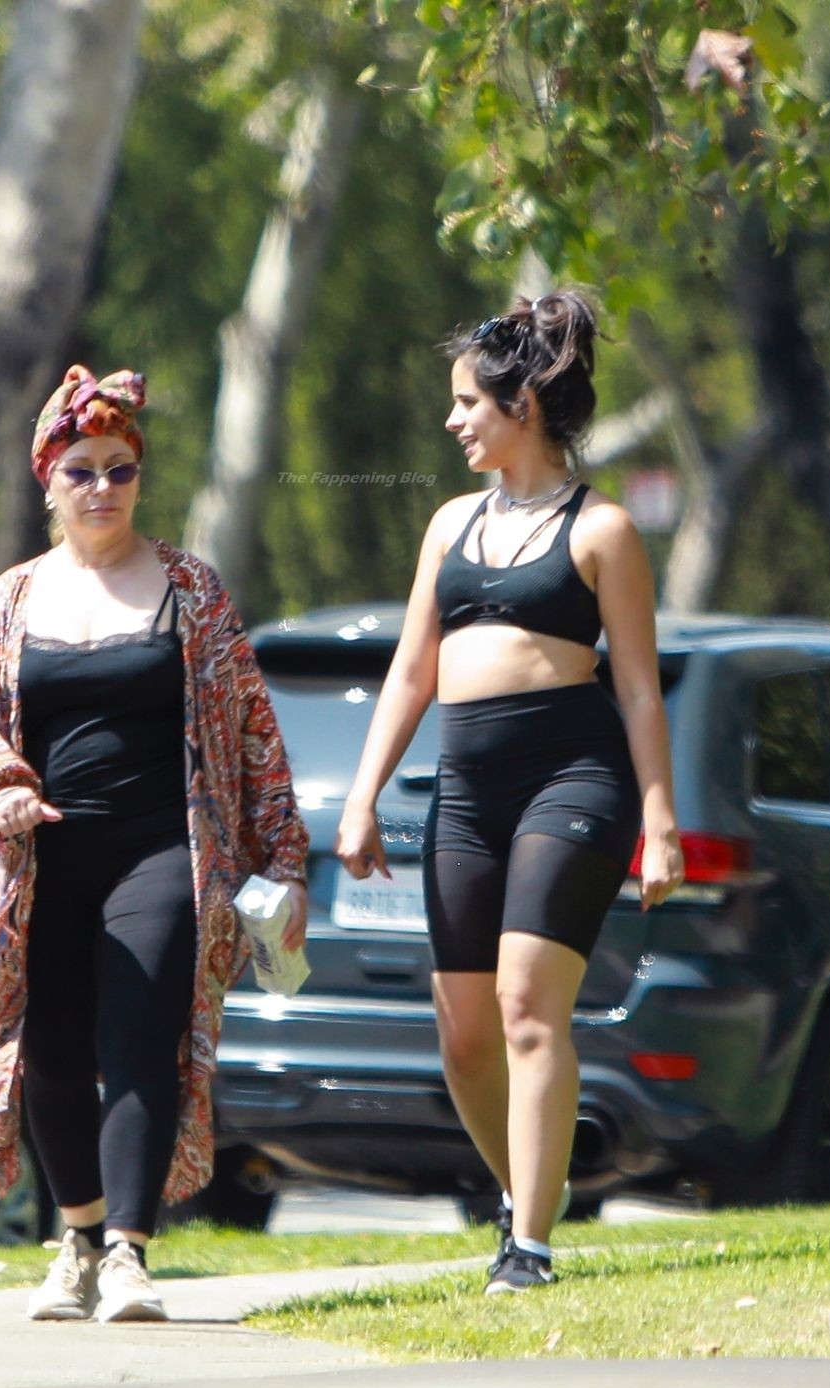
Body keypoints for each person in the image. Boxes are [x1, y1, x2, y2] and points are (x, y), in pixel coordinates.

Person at [0, 365, 310, 1323]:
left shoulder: (192, 591)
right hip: (43, 856)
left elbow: (254, 733)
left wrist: (283, 859)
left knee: (140, 1033)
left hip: (165, 851)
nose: (103, 488)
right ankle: (80, 1238)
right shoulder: (12, 600)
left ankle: (132, 1254)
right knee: (50, 1051)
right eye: (82, 471)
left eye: (121, 469)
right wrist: (4, 786)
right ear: (48, 483)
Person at [335, 291, 684, 1294]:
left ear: (521, 405)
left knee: (529, 1006)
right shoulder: (450, 524)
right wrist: (363, 796)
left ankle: (527, 1244)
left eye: (467, 403)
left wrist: (660, 820)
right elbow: (411, 670)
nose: (453, 421)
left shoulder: (602, 530)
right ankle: (529, 1183)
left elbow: (638, 689)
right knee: (465, 1033)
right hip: (467, 788)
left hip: (573, 780)